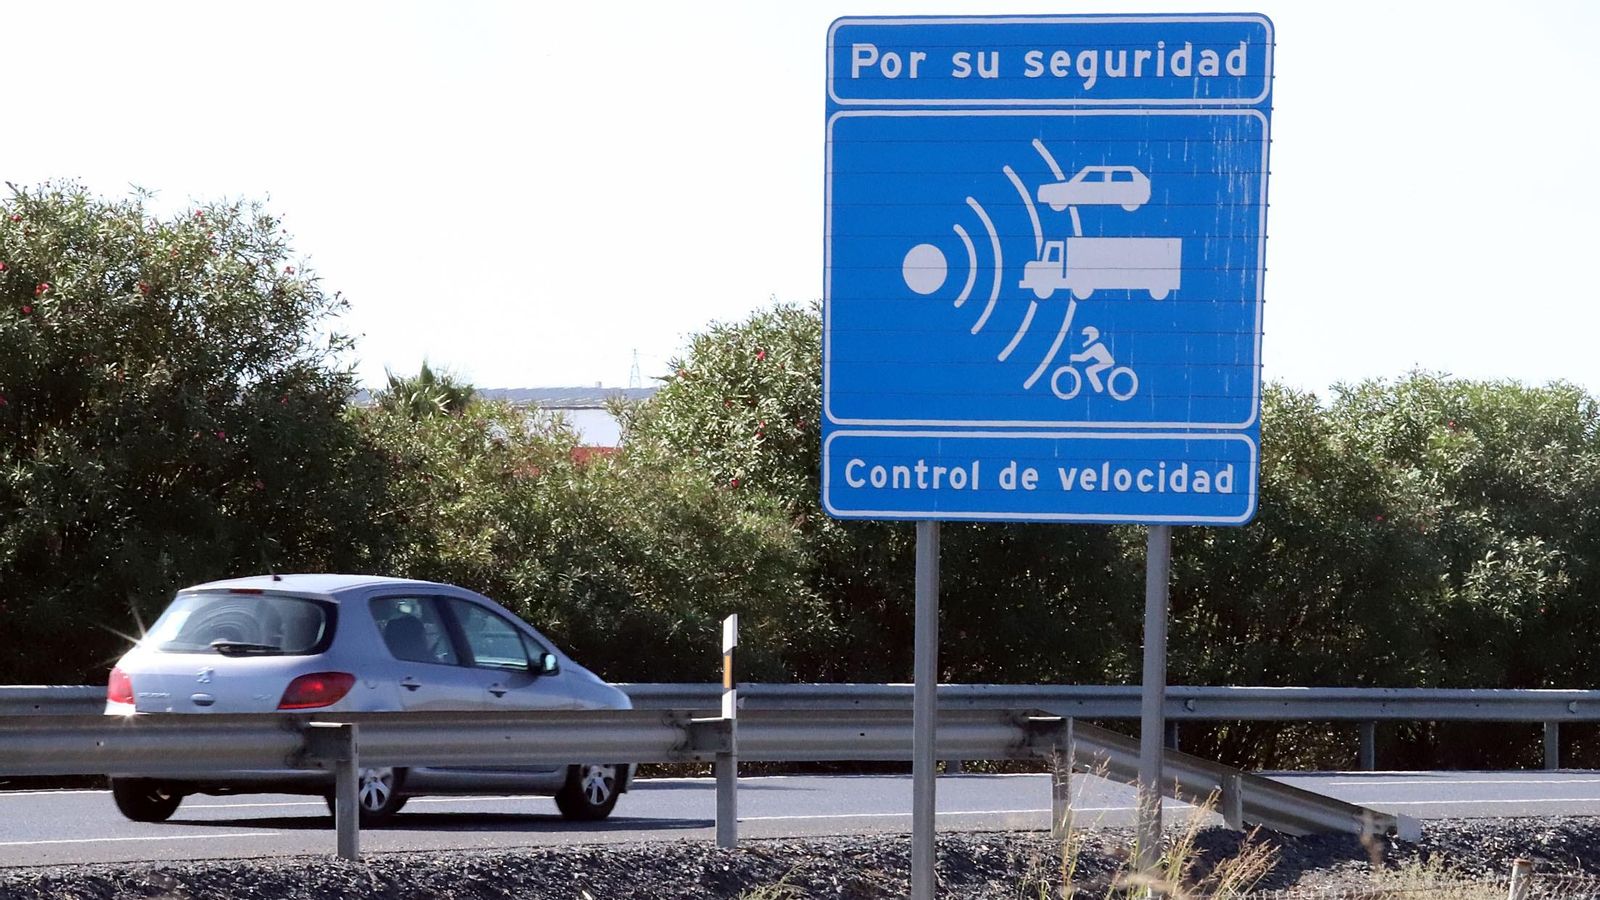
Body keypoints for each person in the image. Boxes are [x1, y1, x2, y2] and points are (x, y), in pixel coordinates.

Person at [1069, 326, 1115, 393]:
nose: (1085, 340)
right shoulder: (1096, 345)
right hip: (1105, 362)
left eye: (1087, 337)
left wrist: (1072, 357)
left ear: (1092, 336)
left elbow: (1083, 358)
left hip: (1107, 362)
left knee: (1089, 370)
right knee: (1090, 369)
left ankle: (1099, 388)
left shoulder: (1096, 346)